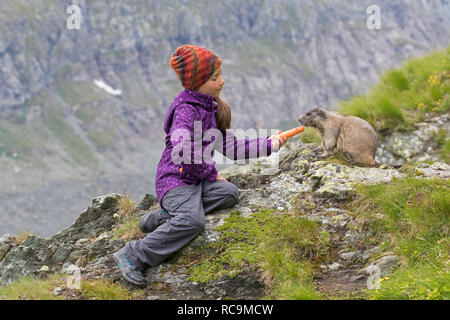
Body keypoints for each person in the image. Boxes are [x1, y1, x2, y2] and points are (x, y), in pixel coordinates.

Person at [113, 44, 288, 286]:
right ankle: (134, 254)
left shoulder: (209, 108)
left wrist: (269, 144)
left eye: (220, 75)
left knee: (230, 194)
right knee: (194, 222)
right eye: (215, 77)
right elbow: (183, 151)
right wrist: (211, 173)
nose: (222, 81)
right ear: (198, 82)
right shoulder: (186, 111)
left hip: (194, 182)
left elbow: (232, 148)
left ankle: (167, 218)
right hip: (175, 182)